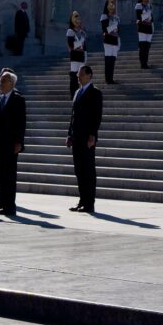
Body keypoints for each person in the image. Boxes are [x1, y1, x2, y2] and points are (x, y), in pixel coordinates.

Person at [0, 70, 26, 214]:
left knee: (9, 175)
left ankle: (9, 206)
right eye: (0, 80)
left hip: (10, 143)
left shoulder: (17, 98)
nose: (1, 82)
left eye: (4, 80)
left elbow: (21, 122)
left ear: (12, 83)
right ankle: (1, 202)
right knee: (0, 174)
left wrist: (19, 142)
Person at [68, 61, 102, 214]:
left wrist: (92, 135)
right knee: (79, 170)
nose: (78, 76)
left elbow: (96, 116)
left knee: (88, 170)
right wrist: (69, 134)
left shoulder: (95, 92)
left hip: (87, 138)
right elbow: (73, 116)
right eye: (77, 74)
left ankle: (90, 203)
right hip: (76, 137)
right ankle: (82, 200)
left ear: (89, 75)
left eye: (81, 74)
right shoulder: (77, 92)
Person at [134, 0, 154, 71]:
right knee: (142, 46)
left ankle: (146, 62)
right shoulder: (138, 5)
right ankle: (142, 63)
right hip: (142, 28)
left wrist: (149, 16)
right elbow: (139, 17)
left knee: (147, 46)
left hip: (149, 28)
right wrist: (147, 15)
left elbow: (152, 18)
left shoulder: (149, 6)